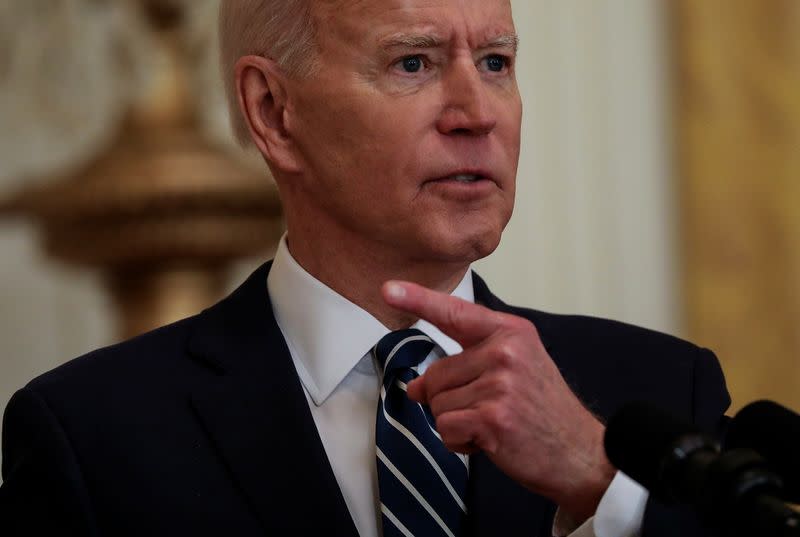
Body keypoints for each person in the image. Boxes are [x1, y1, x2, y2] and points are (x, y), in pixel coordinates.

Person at [0, 1, 729, 536]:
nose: (477, 113)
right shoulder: (93, 437)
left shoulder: (663, 397)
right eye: (413, 63)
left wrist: (601, 483)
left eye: (496, 63)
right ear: (274, 110)